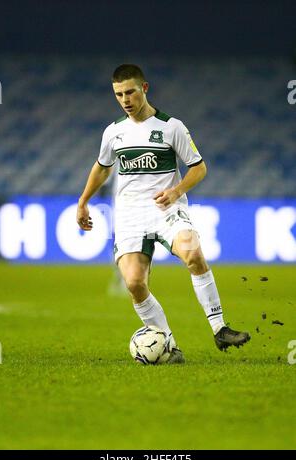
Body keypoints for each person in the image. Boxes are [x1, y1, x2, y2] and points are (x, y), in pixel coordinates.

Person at [76, 64, 250, 363]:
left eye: (130, 91)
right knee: (133, 283)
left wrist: (176, 191)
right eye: (118, 94)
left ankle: (219, 327)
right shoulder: (114, 132)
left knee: (193, 254)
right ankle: (168, 344)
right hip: (130, 215)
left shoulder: (172, 127)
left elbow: (199, 167)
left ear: (144, 88)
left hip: (167, 209)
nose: (125, 99)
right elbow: (102, 167)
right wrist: (83, 202)